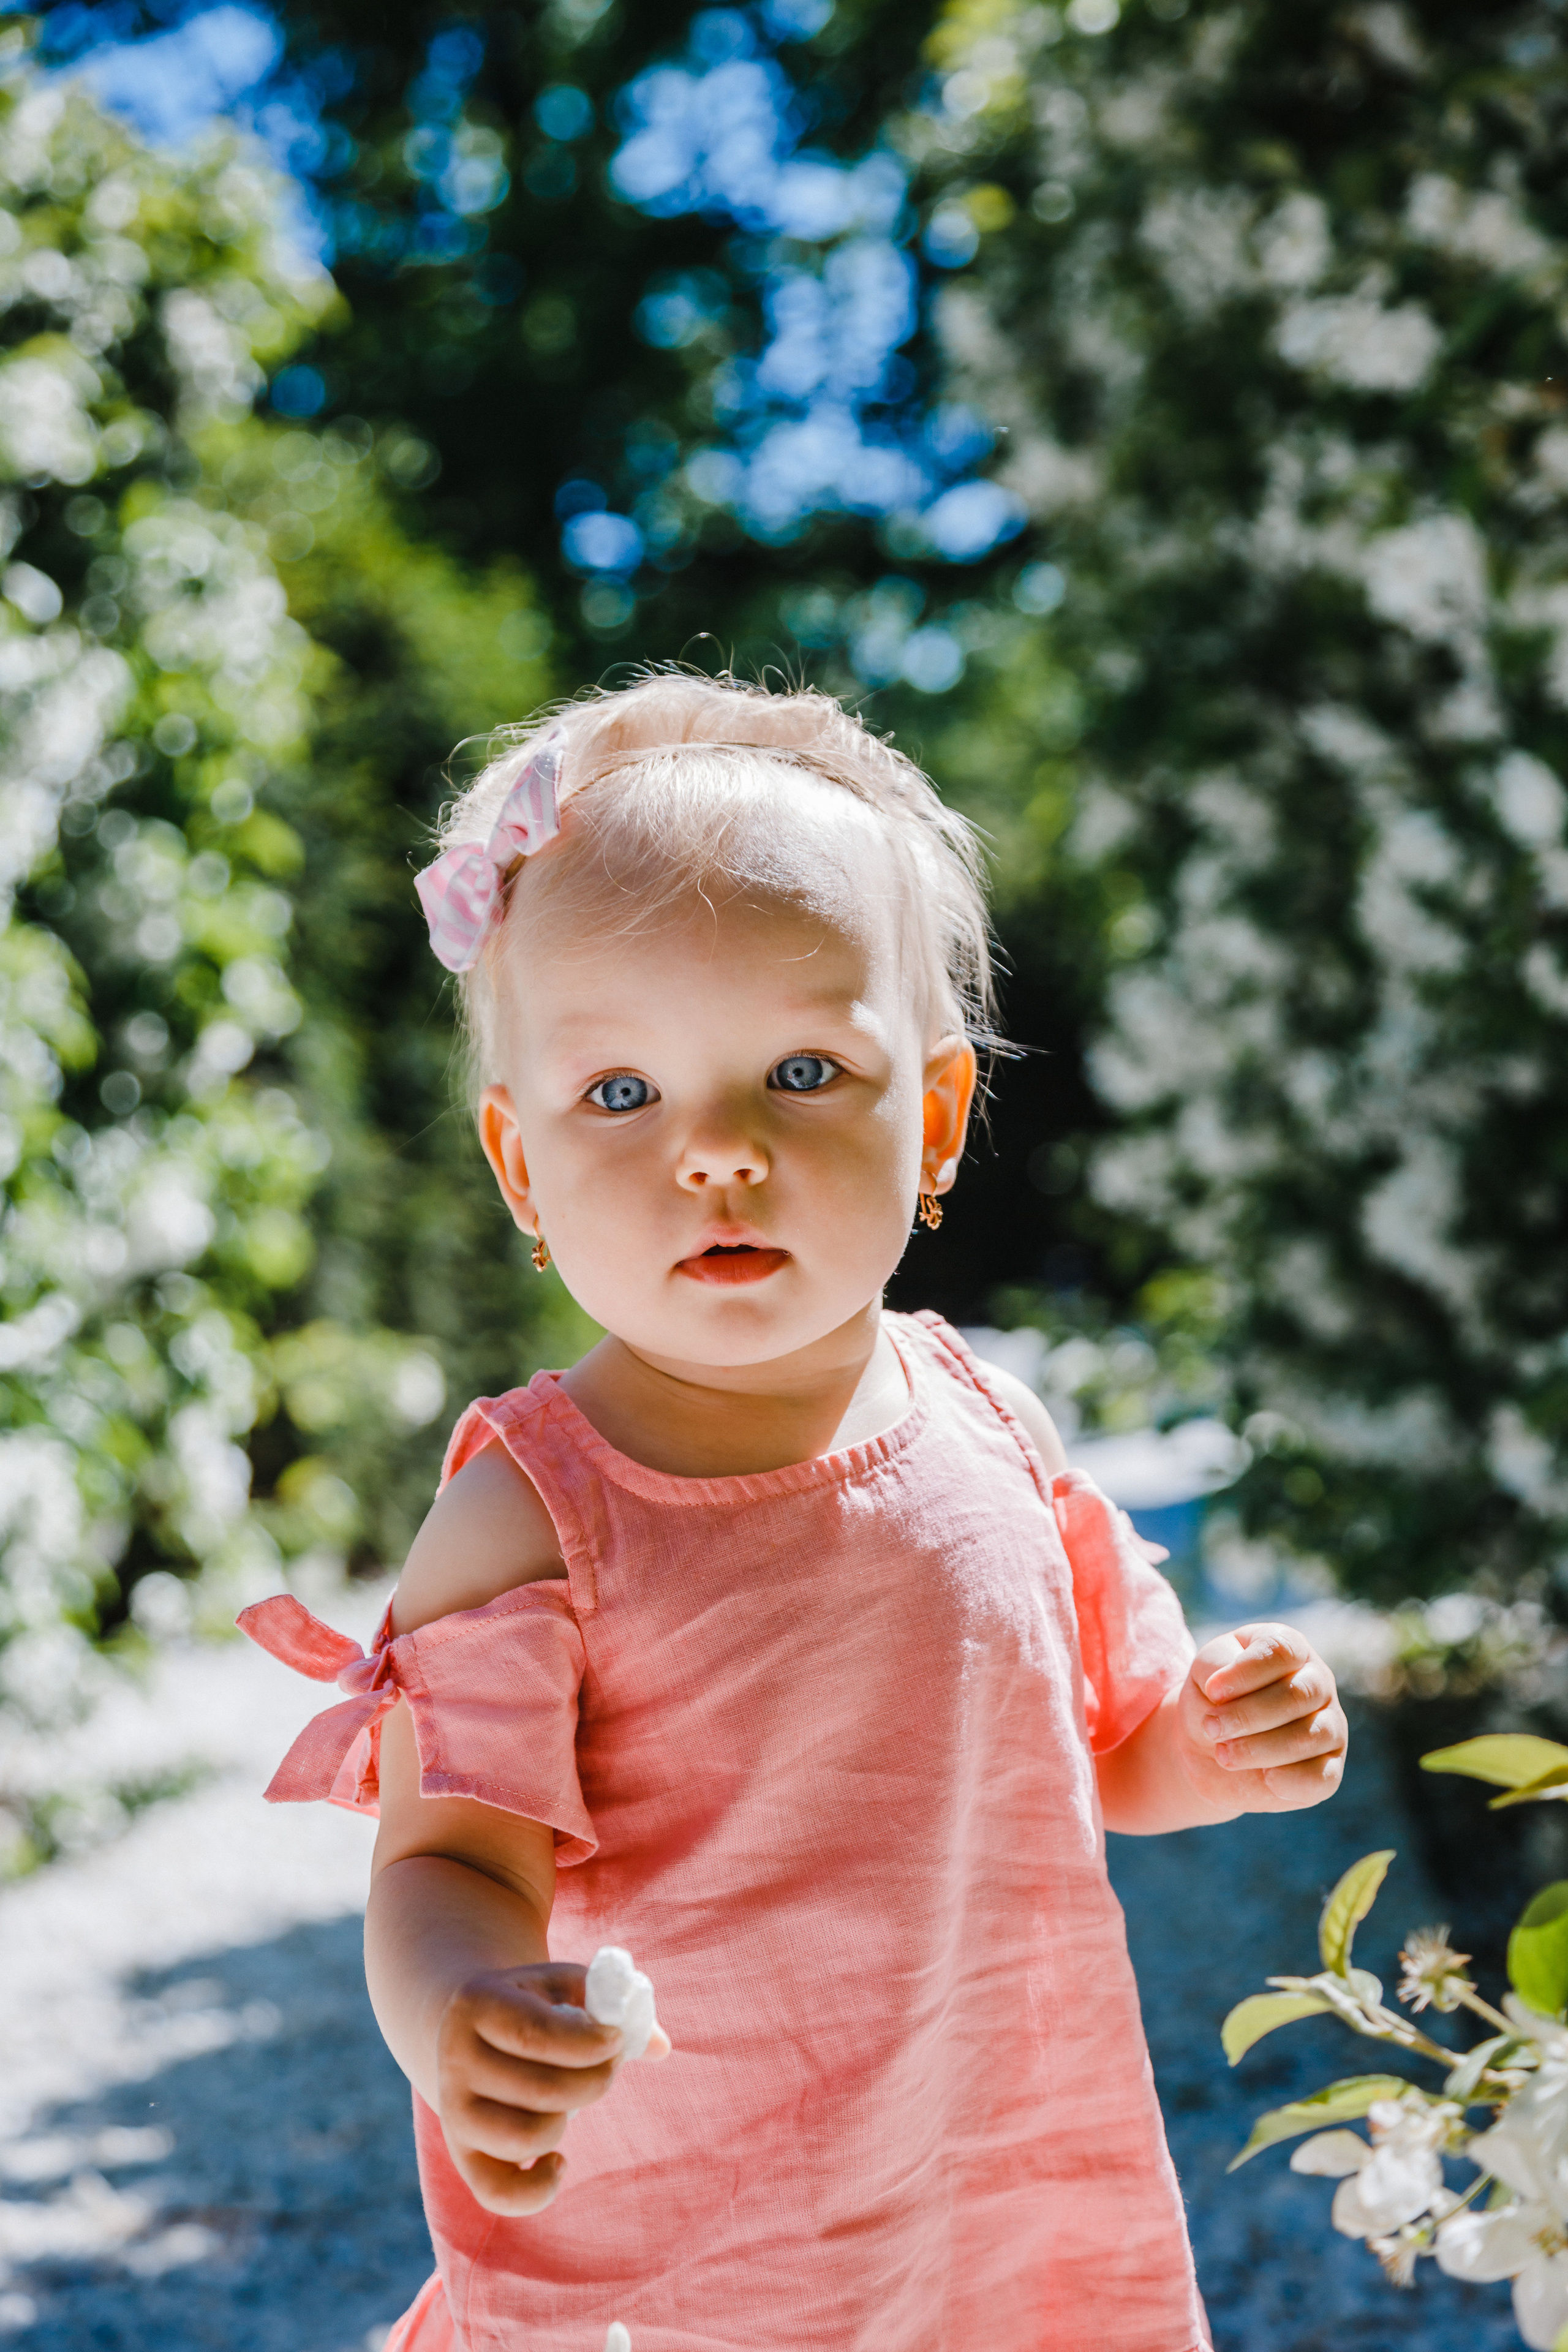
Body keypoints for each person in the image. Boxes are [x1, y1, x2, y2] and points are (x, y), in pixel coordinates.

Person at [241, 672, 1348, 2352]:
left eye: (803, 1069)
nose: (717, 1152)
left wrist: (1212, 1743)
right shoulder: (534, 1514)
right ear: (522, 1167)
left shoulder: (995, 1428)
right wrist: (461, 2008)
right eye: (623, 1094)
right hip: (695, 2267)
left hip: (999, 2213)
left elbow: (1100, 1753)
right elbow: (450, 1857)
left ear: (937, 1117)